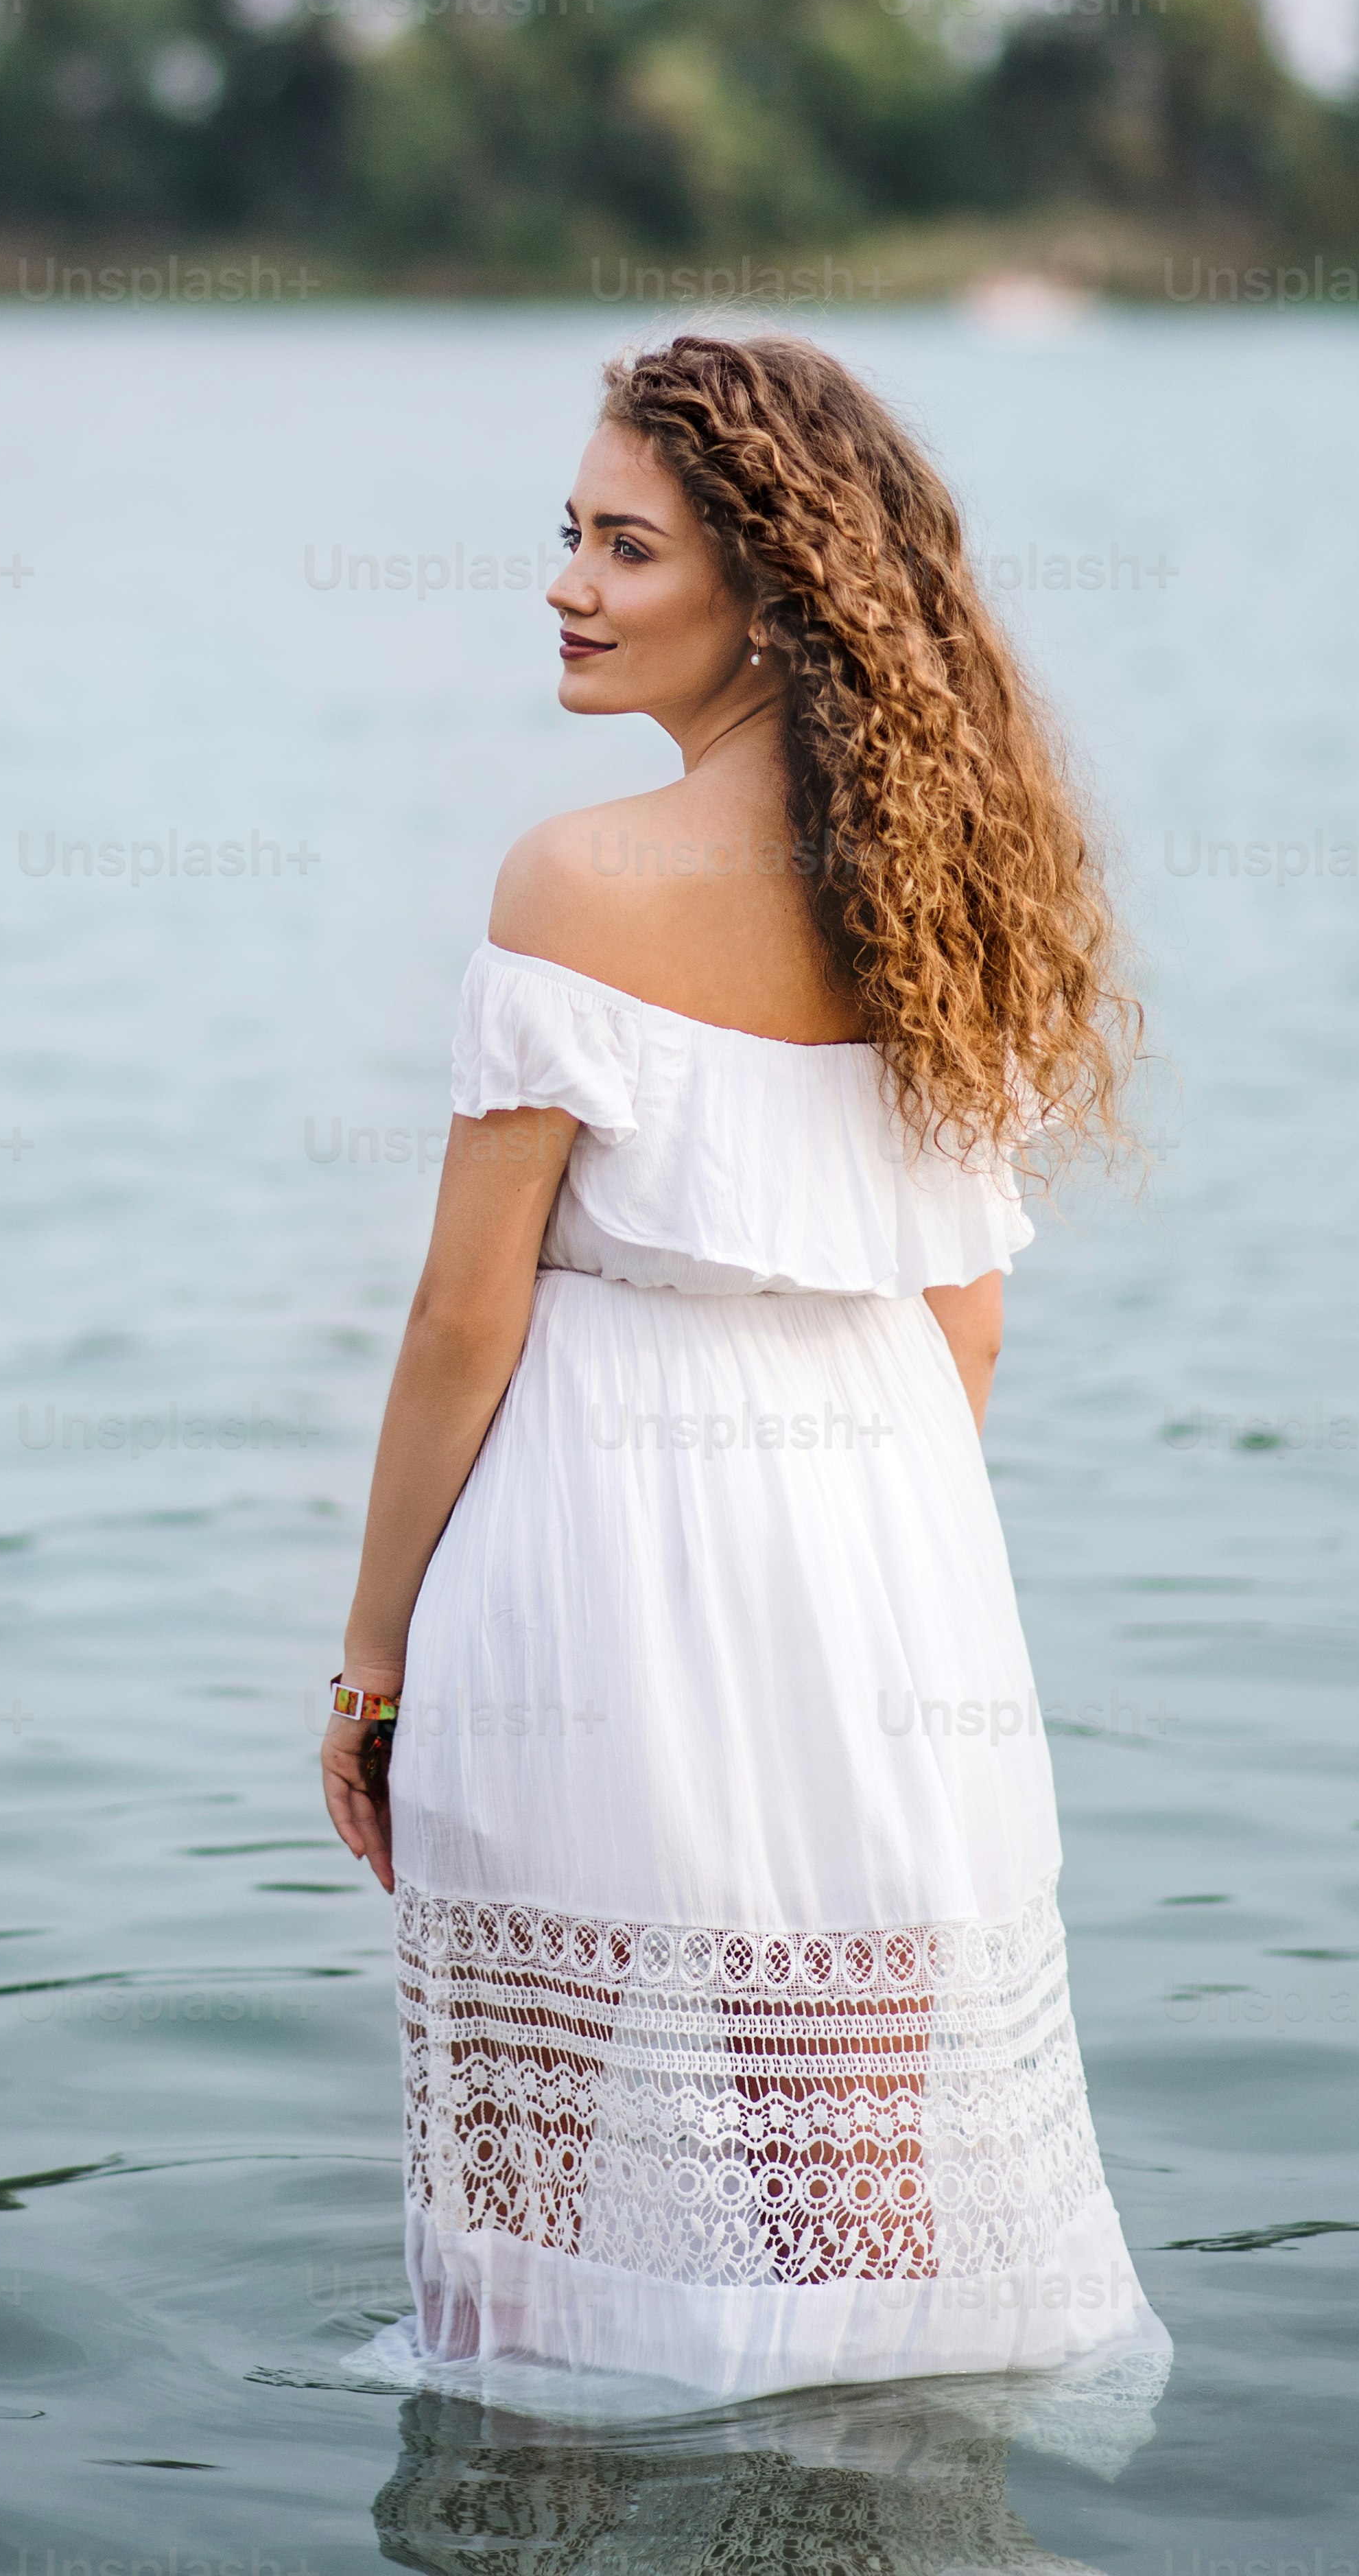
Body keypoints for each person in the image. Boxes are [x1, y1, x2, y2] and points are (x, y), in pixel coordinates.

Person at [321, 330, 1172, 2415]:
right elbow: (967, 1310)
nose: (567, 584)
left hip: (593, 1550)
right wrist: (855, 1570)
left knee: (530, 2184)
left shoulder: (573, 882)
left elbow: (464, 1321)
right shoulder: (954, 884)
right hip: (891, 1549)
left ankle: (527, 2493)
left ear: (771, 587)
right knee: (856, 2151)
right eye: (570, 536)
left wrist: (370, 1670)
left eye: (627, 547)